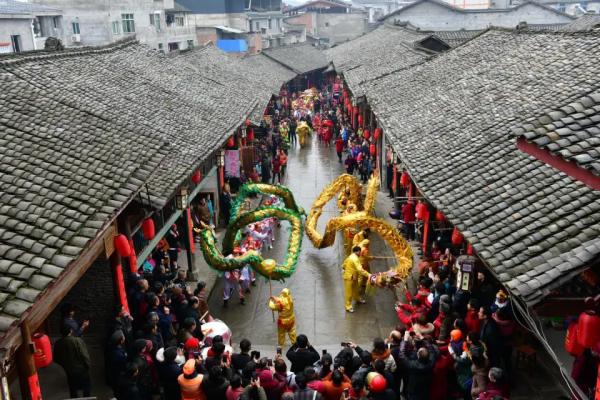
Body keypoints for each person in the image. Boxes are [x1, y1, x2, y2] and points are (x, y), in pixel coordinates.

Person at [54, 323, 91, 398]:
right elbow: (84, 355)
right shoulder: (77, 341)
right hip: (81, 369)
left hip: (69, 370)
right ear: (71, 331)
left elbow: (56, 358)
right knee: (86, 387)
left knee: (73, 388)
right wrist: (88, 365)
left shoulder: (58, 343)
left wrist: (64, 366)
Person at [399, 331, 438, 400]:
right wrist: (422, 338)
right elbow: (431, 349)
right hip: (426, 387)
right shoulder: (431, 362)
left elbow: (402, 355)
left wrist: (404, 340)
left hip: (414, 390)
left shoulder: (412, 365)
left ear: (418, 355)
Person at [342, 246, 371, 313]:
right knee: (349, 293)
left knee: (356, 289)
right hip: (349, 278)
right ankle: (348, 306)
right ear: (357, 251)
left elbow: (344, 264)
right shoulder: (355, 259)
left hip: (353, 277)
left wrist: (344, 268)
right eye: (360, 252)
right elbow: (360, 269)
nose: (360, 253)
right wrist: (368, 275)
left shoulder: (351, 256)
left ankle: (357, 299)